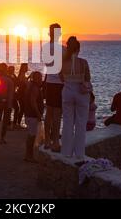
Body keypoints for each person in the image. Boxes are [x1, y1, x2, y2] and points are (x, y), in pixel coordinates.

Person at [60, 36, 92, 160]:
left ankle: (66, 152)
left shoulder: (63, 63)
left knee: (67, 122)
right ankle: (79, 153)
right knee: (81, 123)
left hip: (67, 91)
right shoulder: (83, 62)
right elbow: (88, 79)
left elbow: (61, 78)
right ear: (78, 49)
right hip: (81, 92)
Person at [43, 23, 65, 152]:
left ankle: (46, 140)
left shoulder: (45, 48)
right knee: (57, 114)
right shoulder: (62, 49)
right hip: (59, 84)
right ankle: (55, 141)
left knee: (49, 113)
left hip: (49, 82)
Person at [23, 71, 44, 163]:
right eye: (39, 78)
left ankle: (28, 155)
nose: (41, 79)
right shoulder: (35, 88)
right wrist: (38, 114)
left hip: (29, 114)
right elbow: (33, 102)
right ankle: (29, 156)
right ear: (35, 78)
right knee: (32, 136)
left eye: (41, 77)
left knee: (30, 135)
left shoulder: (30, 86)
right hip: (32, 115)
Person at [0, 63, 14, 144]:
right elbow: (10, 94)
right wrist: (10, 105)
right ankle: (2, 138)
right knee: (4, 121)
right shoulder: (8, 79)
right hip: (5, 102)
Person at [14, 63, 29, 129]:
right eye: (26, 67)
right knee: (22, 109)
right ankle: (18, 123)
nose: (27, 68)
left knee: (22, 109)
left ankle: (18, 123)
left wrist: (28, 78)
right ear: (23, 68)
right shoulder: (22, 75)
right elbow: (21, 84)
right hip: (22, 94)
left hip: (21, 94)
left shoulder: (22, 74)